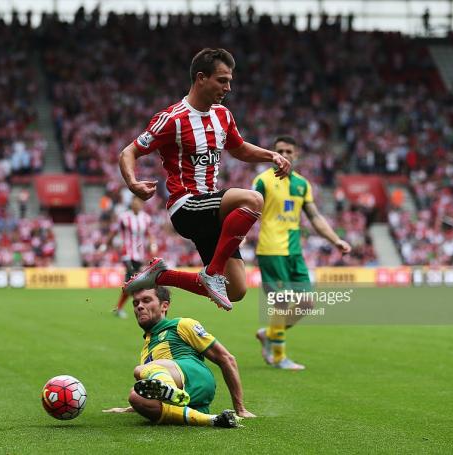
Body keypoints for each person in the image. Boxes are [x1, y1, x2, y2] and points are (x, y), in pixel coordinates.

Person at [120, 48, 291, 311]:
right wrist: (133, 183)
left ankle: (160, 276)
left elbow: (239, 149)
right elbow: (129, 152)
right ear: (201, 78)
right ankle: (211, 273)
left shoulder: (223, 115)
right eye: (222, 80)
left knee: (237, 290)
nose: (228, 87)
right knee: (253, 199)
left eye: (230, 80)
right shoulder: (172, 119)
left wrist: (271, 156)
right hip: (186, 205)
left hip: (211, 210)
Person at [253, 136, 351, 370]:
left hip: (294, 252)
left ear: (296, 155)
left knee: (306, 303)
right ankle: (278, 356)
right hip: (271, 250)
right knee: (282, 303)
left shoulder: (302, 185)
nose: (284, 155)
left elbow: (314, 217)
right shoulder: (262, 181)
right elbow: (247, 211)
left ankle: (269, 333)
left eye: (288, 151)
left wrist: (336, 240)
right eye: (279, 151)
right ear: (272, 154)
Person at [103, 286, 255, 428]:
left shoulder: (181, 325)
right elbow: (153, 387)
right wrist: (132, 408)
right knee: (136, 396)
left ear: (164, 306)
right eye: (135, 303)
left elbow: (226, 358)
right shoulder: (146, 350)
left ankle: (175, 394)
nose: (139, 306)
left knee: (140, 370)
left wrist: (240, 408)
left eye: (146, 300)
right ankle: (212, 419)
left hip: (195, 376)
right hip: (190, 397)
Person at [100, 196, 157, 318]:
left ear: (141, 204)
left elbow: (150, 234)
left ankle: (120, 308)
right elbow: (114, 231)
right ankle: (140, 306)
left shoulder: (146, 218)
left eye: (138, 202)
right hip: (127, 254)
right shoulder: (124, 217)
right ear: (131, 204)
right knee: (133, 280)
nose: (135, 204)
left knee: (130, 283)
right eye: (133, 202)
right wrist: (105, 245)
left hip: (139, 255)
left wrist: (153, 245)